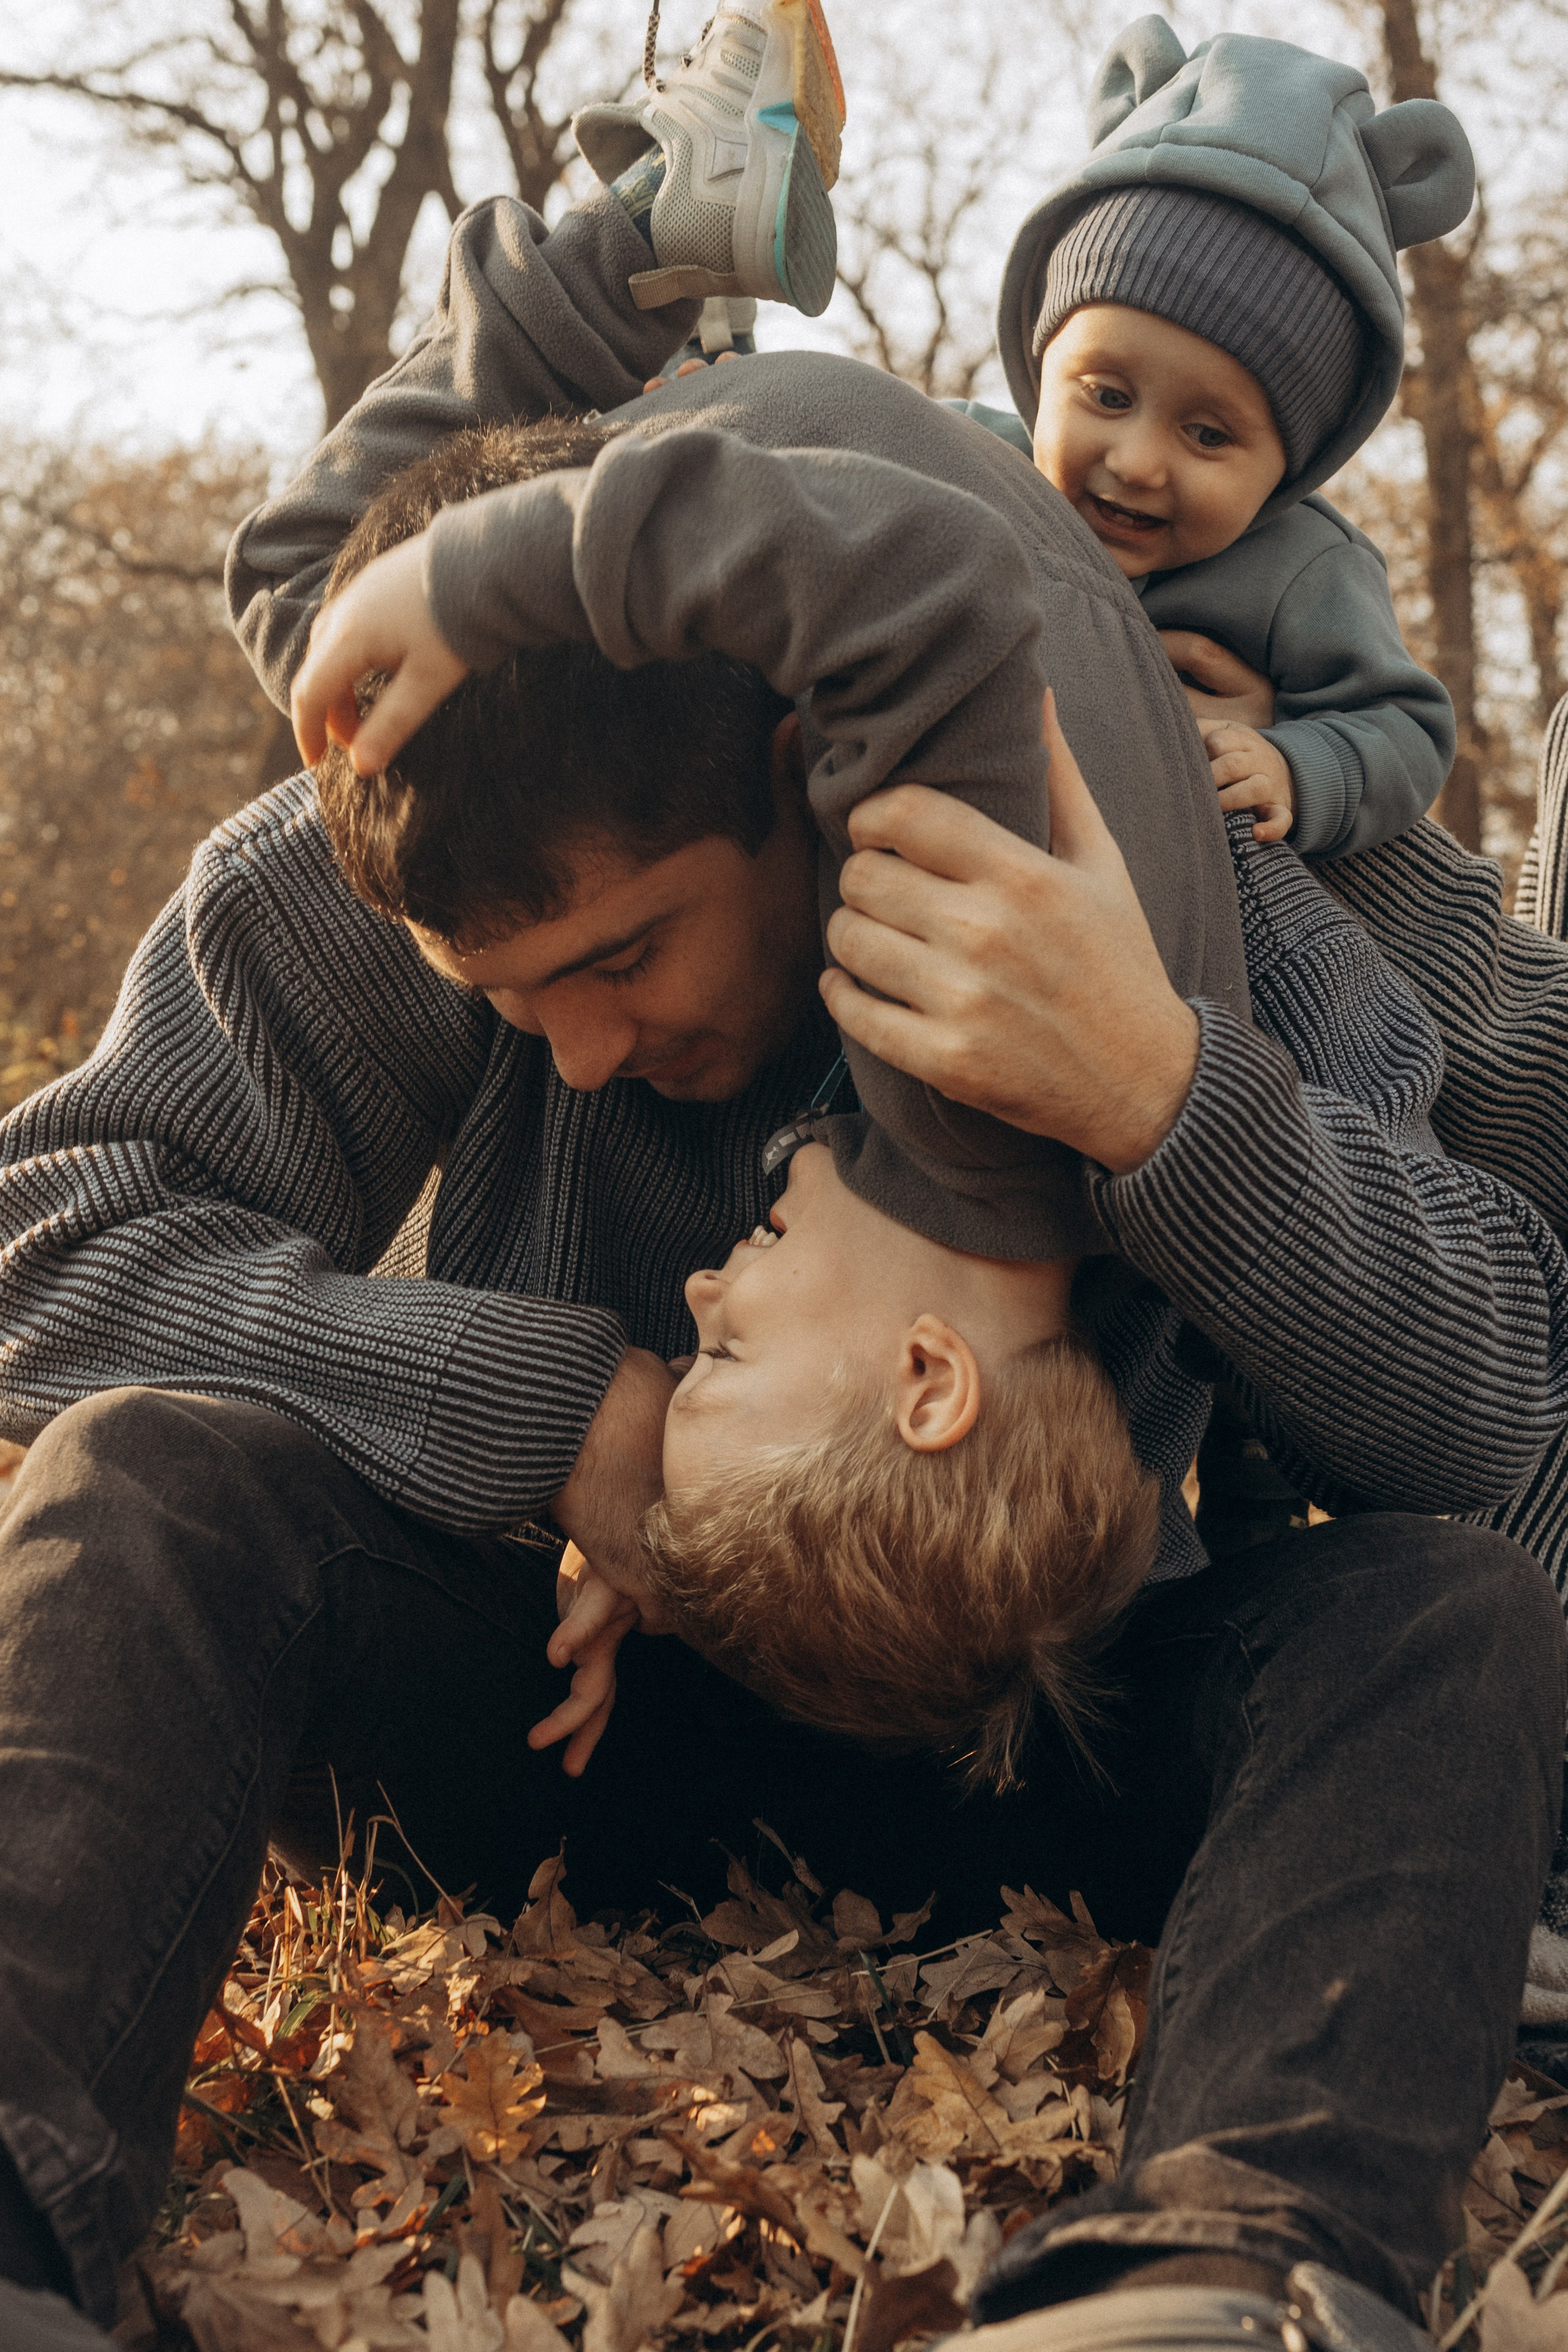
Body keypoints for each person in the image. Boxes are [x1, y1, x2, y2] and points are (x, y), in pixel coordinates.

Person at [1, 22, 1565, 2352]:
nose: (572, 1046)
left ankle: (1224, 2270)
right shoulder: (436, 817)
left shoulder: (1136, 869)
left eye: (627, 960)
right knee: (151, 1469)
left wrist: (1164, 1096)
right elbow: (49, 1248)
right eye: (514, 995)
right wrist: (555, 1409)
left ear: (799, 779)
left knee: (1446, 1613)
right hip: (565, 1720)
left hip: (1043, 1740)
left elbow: (1500, 1388)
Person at [951, 15, 1469, 856]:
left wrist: (1297, 766)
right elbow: (818, 471)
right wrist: (733, 399)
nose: (1137, 462)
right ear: (1043, 364)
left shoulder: (1306, 573)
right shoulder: (966, 462)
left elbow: (1405, 729)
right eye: (1107, 395)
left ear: (1291, 464)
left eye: (1207, 434)